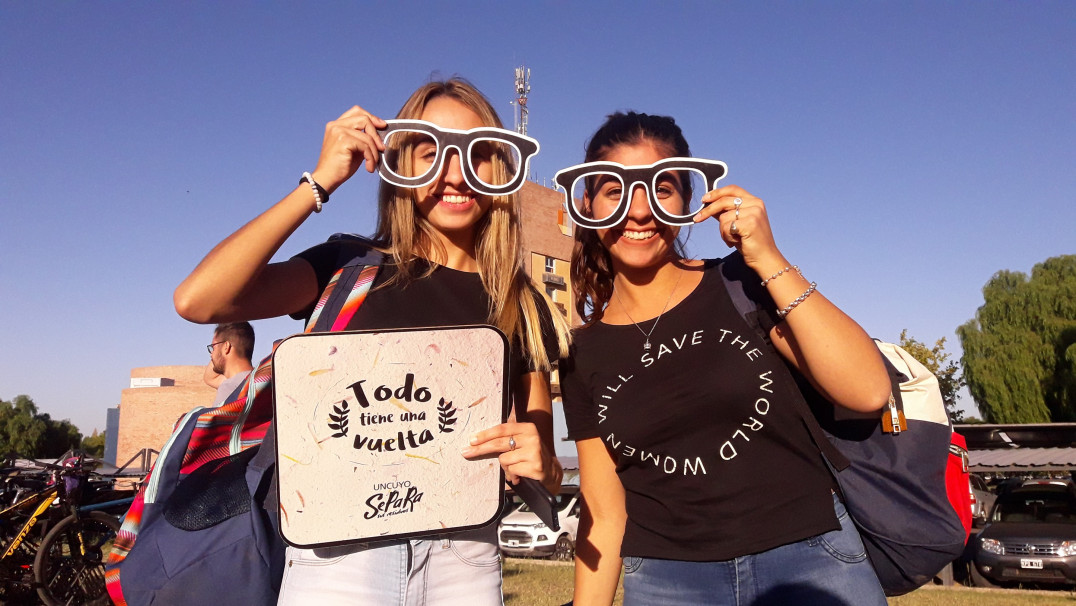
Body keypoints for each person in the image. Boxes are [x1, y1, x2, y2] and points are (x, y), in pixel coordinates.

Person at [173, 78, 570, 605]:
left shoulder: (518, 301)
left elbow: (543, 460)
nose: (455, 174)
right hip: (340, 555)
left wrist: (541, 463)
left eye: (478, 154)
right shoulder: (350, 268)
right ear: (402, 165)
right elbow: (199, 301)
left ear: (500, 167)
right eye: (433, 153)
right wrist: (318, 182)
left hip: (463, 557)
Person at [556, 112, 892, 606]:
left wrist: (768, 256)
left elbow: (867, 390)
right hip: (668, 583)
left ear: (690, 200)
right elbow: (604, 515)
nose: (639, 210)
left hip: (809, 558)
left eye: (662, 188)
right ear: (587, 203)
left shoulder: (741, 282)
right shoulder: (583, 351)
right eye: (614, 191)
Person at [202, 321, 255, 405]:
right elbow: (210, 378)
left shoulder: (229, 388)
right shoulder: (259, 380)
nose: (211, 354)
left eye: (213, 347)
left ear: (226, 347)